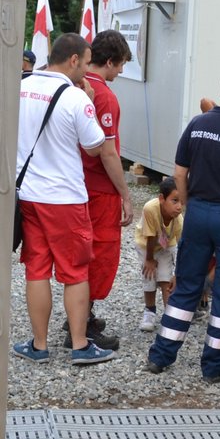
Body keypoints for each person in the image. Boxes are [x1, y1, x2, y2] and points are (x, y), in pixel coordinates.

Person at [145, 64, 220, 382]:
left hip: (198, 212)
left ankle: (160, 356)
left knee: (187, 286)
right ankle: (214, 366)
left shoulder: (197, 124)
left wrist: (188, 203)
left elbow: (178, 174)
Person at [13, 33, 126, 364]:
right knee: (75, 271)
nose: (88, 70)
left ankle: (38, 344)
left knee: (36, 269)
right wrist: (88, 101)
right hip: (65, 198)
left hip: (29, 195)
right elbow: (94, 147)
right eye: (87, 62)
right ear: (74, 60)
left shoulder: (22, 86)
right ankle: (79, 345)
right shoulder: (76, 97)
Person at [72, 30, 137, 350]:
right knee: (99, 256)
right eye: (121, 64)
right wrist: (126, 194)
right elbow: (108, 151)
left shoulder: (75, 87)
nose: (121, 71)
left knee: (83, 253)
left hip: (77, 184)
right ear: (109, 61)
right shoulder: (104, 95)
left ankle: (81, 316)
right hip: (100, 188)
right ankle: (81, 325)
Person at [136, 176, 185, 331]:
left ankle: (169, 315)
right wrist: (149, 259)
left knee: (166, 278)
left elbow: (182, 245)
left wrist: (178, 273)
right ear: (162, 198)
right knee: (149, 277)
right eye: (175, 200)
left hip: (166, 246)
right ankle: (149, 311)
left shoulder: (179, 220)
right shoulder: (150, 209)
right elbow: (150, 237)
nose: (179, 207)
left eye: (182, 201)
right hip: (145, 246)